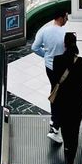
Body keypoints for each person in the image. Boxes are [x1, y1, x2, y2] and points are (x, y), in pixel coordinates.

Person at [50, 32, 82, 164]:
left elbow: (55, 81)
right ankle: (70, 162)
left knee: (66, 131)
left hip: (62, 102)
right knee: (74, 132)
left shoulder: (57, 60)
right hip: (77, 103)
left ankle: (67, 151)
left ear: (64, 44)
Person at [31, 8, 69, 142]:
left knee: (55, 91)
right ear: (61, 17)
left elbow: (34, 48)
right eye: (66, 16)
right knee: (60, 96)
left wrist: (46, 55)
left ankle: (54, 121)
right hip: (62, 69)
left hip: (49, 67)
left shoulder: (44, 31)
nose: (67, 18)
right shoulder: (66, 33)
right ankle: (55, 128)